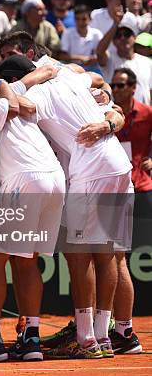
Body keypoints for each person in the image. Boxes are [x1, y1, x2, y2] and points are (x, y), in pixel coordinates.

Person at [8, 53, 132, 360]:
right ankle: (102, 336)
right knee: (105, 254)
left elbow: (18, 105)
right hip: (117, 165)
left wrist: (8, 87)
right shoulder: (69, 77)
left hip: (90, 170)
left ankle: (86, 339)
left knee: (79, 257)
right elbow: (98, 80)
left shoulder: (40, 89)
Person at [0, 57, 66, 362]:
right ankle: (31, 337)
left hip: (24, 180)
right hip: (55, 178)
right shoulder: (34, 102)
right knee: (26, 262)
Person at [112, 67, 150, 355]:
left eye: (122, 85)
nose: (117, 88)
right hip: (116, 191)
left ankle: (121, 329)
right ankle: (119, 327)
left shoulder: (147, 112)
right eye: (114, 84)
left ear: (133, 88)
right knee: (118, 257)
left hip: (143, 188)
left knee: (126, 257)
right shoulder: (107, 112)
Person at [97, 23, 152, 105]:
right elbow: (99, 52)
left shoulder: (147, 62)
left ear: (134, 38)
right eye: (118, 36)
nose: (123, 38)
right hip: (116, 113)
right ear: (114, 42)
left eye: (127, 35)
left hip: (142, 114)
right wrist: (115, 24)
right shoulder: (109, 60)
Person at [60, 5, 103, 73]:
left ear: (90, 19)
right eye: (77, 19)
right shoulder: (67, 33)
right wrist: (82, 58)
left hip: (93, 69)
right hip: (72, 70)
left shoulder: (97, 34)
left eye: (84, 19)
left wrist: (94, 58)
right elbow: (62, 56)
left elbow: (103, 55)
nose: (80, 22)